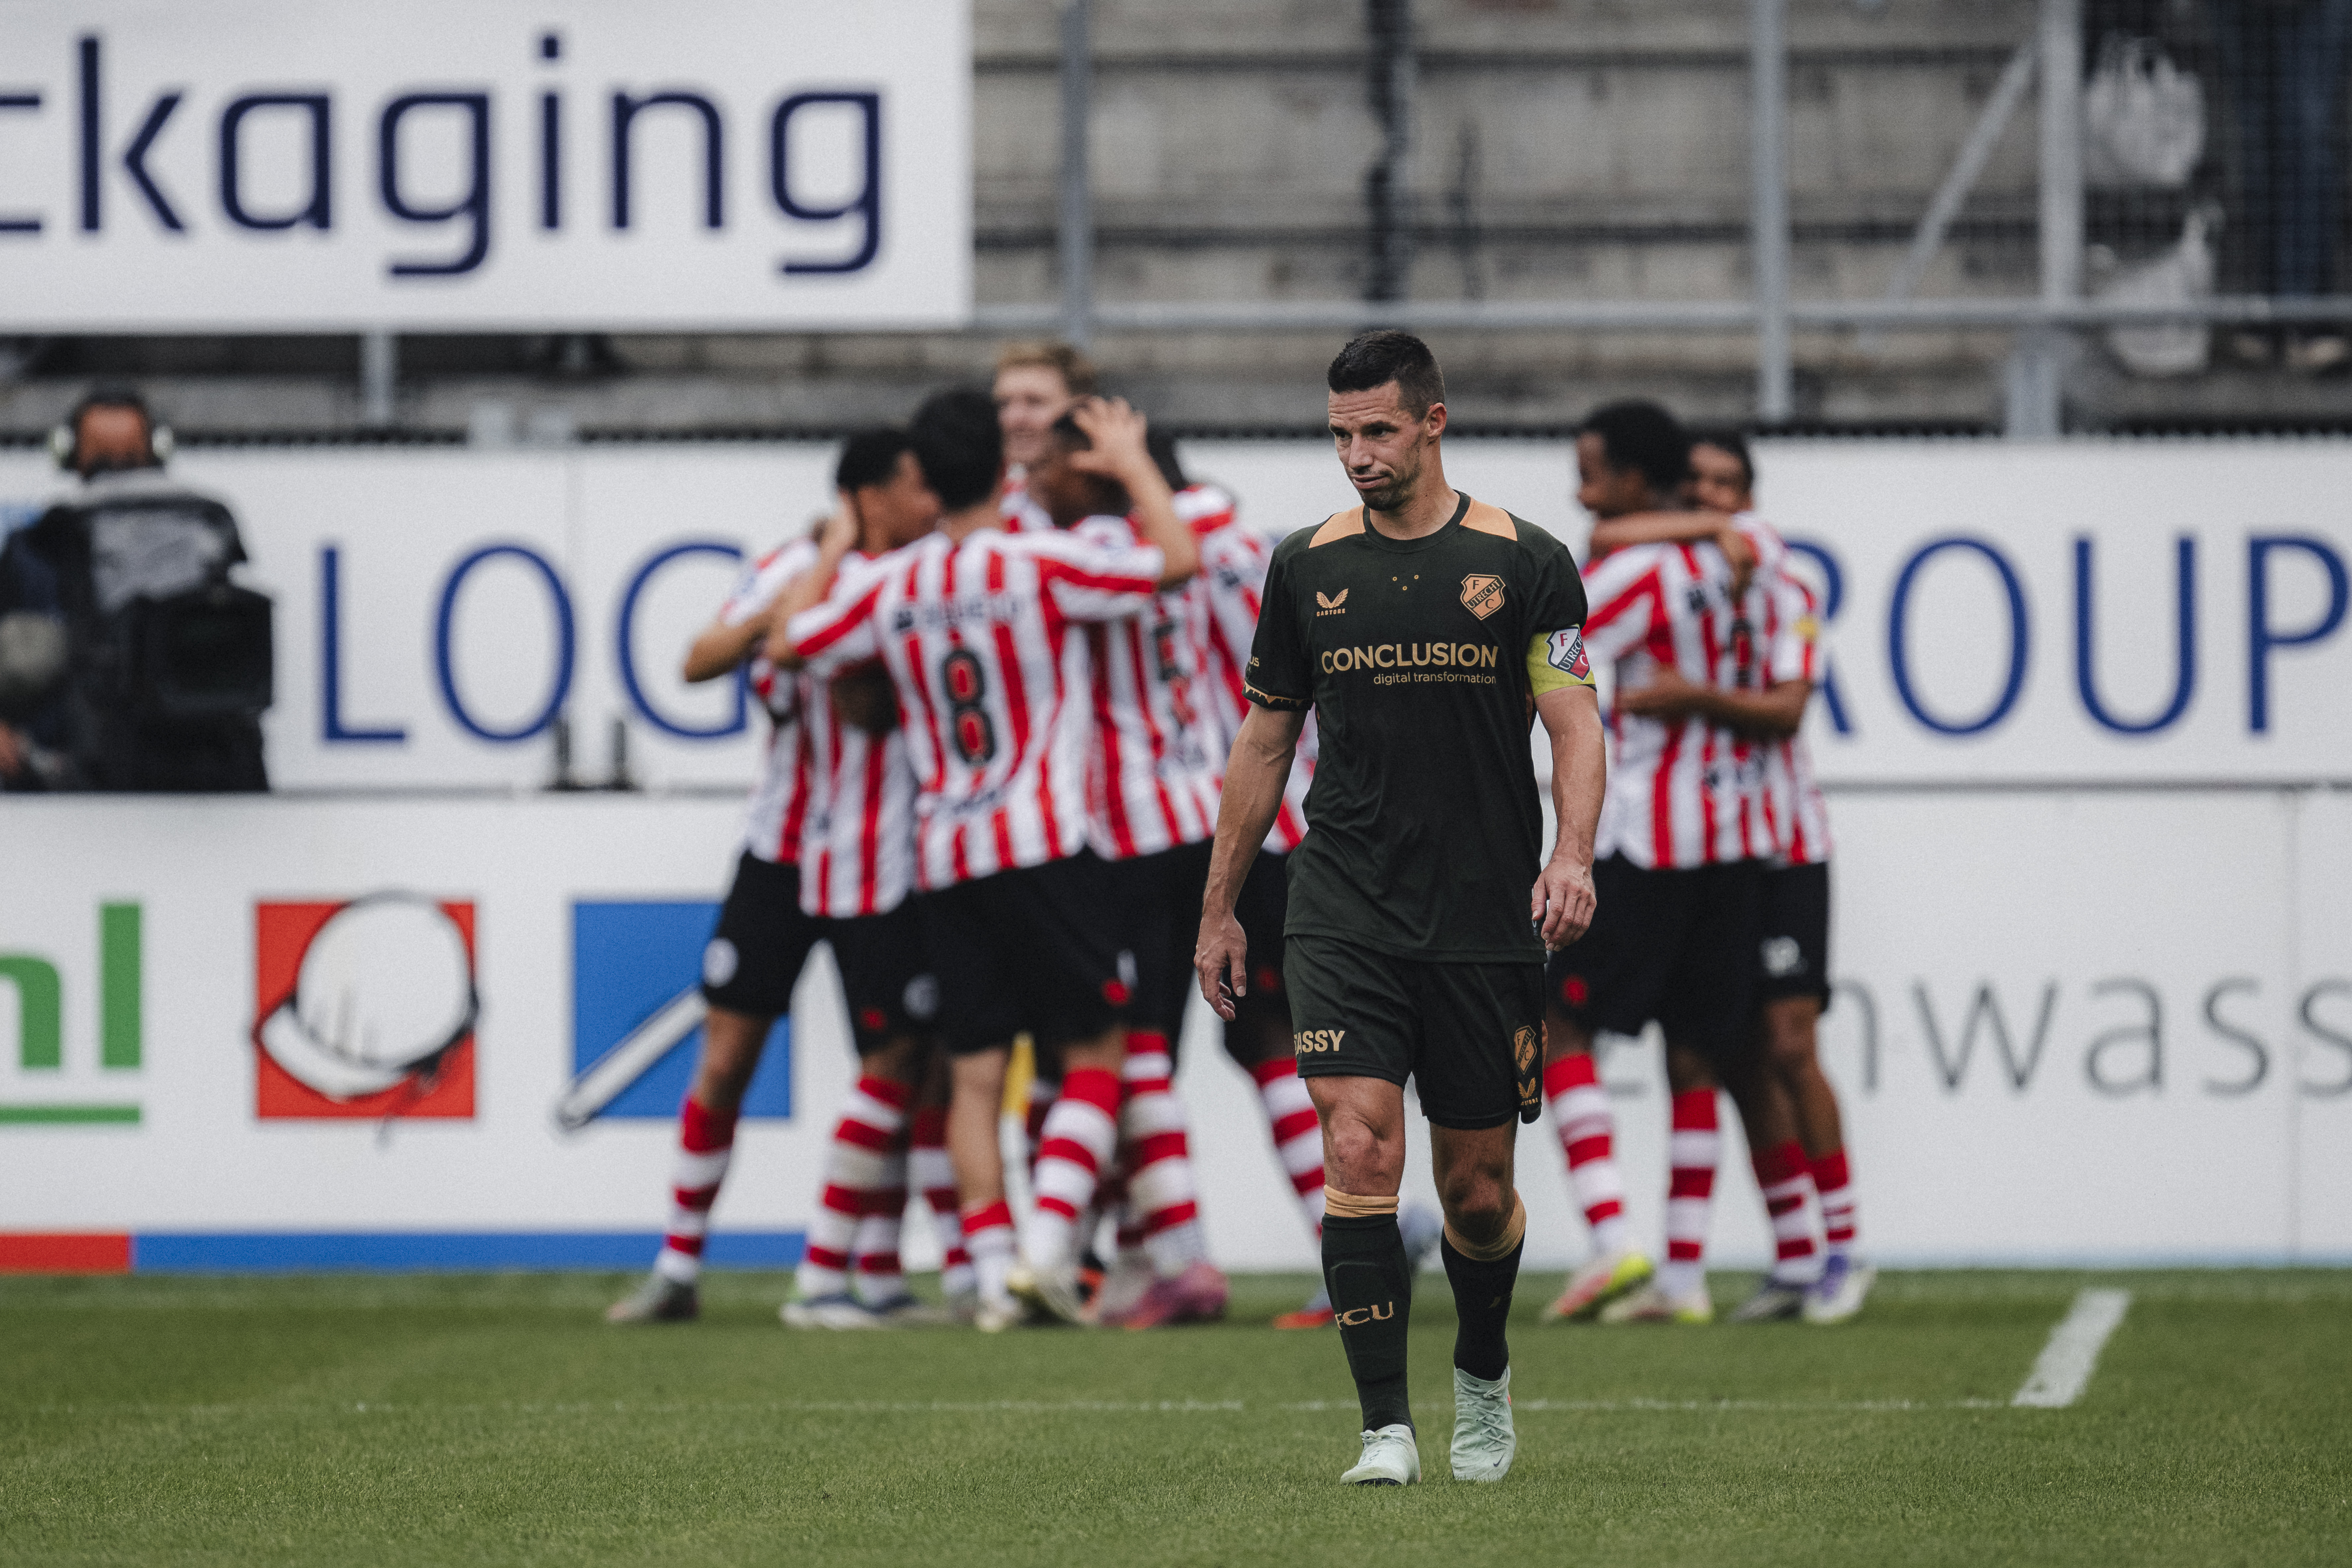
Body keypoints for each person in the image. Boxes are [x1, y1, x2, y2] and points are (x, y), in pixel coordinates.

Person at [1195, 330, 1606, 1486]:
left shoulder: (1526, 560)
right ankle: (1385, 1428)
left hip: (1482, 916)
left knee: (1476, 1193)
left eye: (1376, 430)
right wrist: (1219, 907)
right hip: (1342, 904)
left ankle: (1481, 1374)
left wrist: (1570, 855)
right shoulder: (1303, 566)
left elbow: (1574, 721)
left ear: (1432, 420)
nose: (1355, 455)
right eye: (1338, 434)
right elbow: (1264, 739)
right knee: (1357, 1138)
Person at [775, 388, 1200, 1331]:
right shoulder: (1037, 560)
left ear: (921, 477)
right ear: (1003, 472)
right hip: (1046, 839)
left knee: (972, 1072)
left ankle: (995, 1266)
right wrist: (1132, 464)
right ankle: (1045, 1253)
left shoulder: (893, 582)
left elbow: (790, 641)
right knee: (1094, 1047)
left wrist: (842, 544)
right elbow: (1175, 560)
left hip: (946, 850)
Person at [605, 428, 951, 1327]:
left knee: (901, 1060)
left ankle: (872, 1272)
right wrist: (821, 567)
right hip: (782, 848)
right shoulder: (795, 566)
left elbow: (871, 706)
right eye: (915, 485)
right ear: (868, 495)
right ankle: (677, 1264)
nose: (930, 501)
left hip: (885, 850)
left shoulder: (923, 577)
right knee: (727, 1056)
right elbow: (697, 659)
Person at [1583, 431, 1869, 1324]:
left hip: (1786, 843)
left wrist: (1688, 697)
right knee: (1729, 1054)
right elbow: (1601, 549)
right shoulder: (1680, 569)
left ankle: (1841, 1245)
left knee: (1787, 1045)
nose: (1711, 500)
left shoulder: (1780, 575)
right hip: (1718, 846)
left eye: (1725, 487)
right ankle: (1783, 1254)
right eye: (1696, 485)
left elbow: (1786, 711)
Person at [1544, 402, 1775, 1328]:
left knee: (1554, 1024)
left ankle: (1612, 1236)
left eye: (1594, 470)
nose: (1580, 487)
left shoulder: (1641, 568)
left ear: (1640, 481)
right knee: (1694, 1052)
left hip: (1643, 835)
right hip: (1729, 837)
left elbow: (1560, 647)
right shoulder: (1752, 556)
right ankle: (1682, 1275)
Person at [1021, 408, 1230, 1328]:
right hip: (1190, 815)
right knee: (1142, 1045)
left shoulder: (1097, 547)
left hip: (1121, 829)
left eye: (1053, 461)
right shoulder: (1191, 523)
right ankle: (1159, 1256)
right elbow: (1194, 528)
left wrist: (1121, 468)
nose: (1034, 475)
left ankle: (1099, 1252)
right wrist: (1139, 468)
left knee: (1117, 1045)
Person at [0, 387, 271, 791]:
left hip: (180, 747)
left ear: (70, 453)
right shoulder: (210, 520)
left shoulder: (43, 539)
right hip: (117, 753)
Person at [994, 339, 1098, 529]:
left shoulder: (1135, 509)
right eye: (1004, 404)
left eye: (1035, 402)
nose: (1013, 419)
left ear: (1081, 410)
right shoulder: (990, 518)